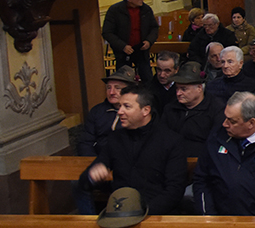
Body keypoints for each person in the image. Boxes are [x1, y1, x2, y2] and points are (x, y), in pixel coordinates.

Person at [77, 85, 184, 216]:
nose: (120, 111)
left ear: (145, 110)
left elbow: (174, 191)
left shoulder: (170, 140)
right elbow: (84, 182)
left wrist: (143, 212)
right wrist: (92, 176)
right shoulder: (115, 139)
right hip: (120, 212)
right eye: (120, 106)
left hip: (156, 215)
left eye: (127, 107)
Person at [162, 61, 226, 158]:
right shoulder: (171, 108)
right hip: (172, 159)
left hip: (204, 162)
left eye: (183, 89)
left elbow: (217, 142)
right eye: (177, 89)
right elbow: (162, 137)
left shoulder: (216, 109)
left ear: (199, 88)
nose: (178, 93)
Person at [100, 0, 158, 82]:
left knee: (148, 79)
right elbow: (107, 32)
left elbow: (154, 28)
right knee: (124, 80)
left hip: (141, 49)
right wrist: (123, 46)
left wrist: (149, 41)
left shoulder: (146, 10)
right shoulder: (115, 10)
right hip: (123, 51)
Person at [78, 66, 137, 156]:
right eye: (109, 88)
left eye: (117, 88)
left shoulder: (138, 112)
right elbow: (85, 143)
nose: (111, 92)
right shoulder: (97, 111)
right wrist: (95, 164)